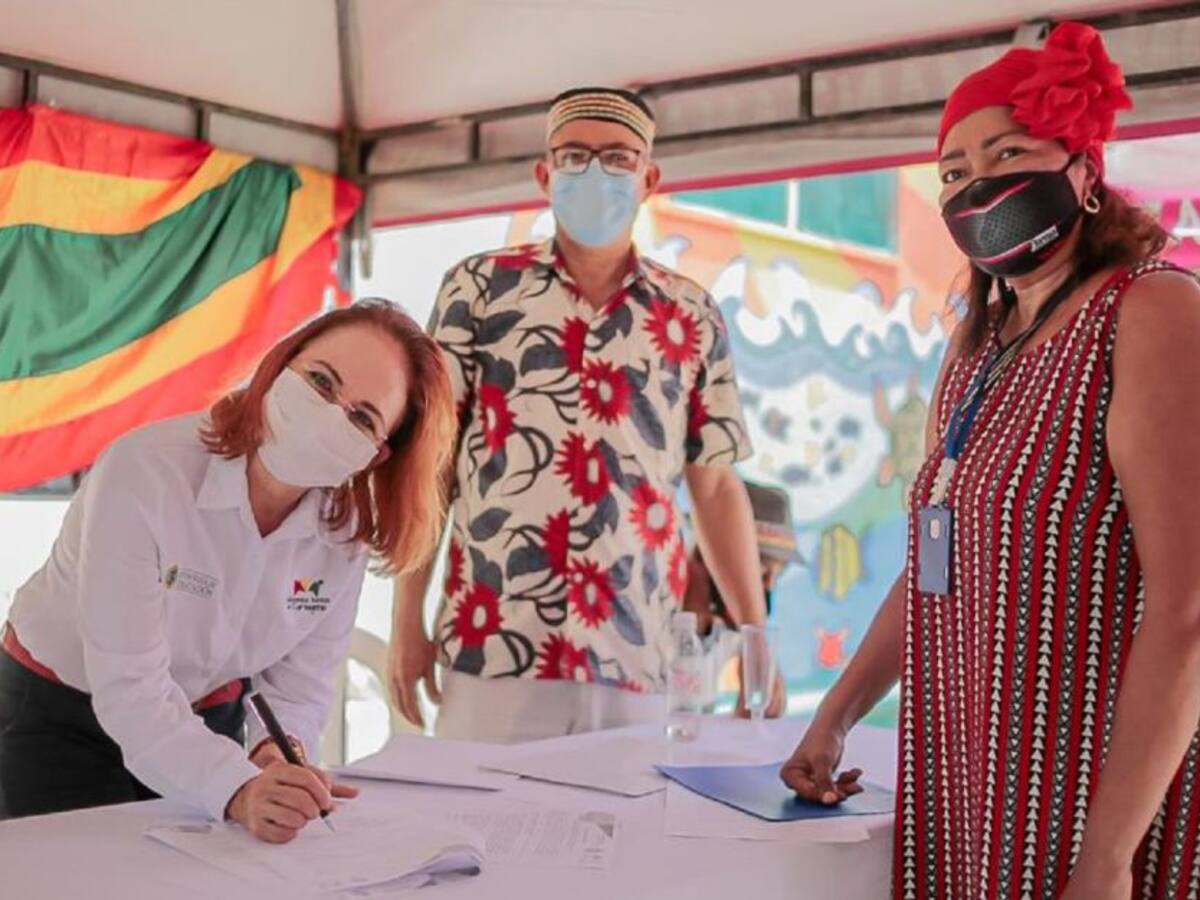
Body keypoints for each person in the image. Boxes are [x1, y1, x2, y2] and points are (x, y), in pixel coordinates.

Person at [780, 22, 1200, 899]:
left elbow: (1189, 607)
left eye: (1008, 150)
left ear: (1083, 173)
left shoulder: (1150, 312)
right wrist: (835, 717)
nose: (978, 184)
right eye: (954, 171)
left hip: (1098, 799)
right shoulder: (978, 347)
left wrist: (1107, 859)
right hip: (970, 791)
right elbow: (936, 565)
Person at [390, 86, 785, 743]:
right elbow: (430, 464)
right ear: (544, 174)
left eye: (618, 157)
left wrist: (757, 639)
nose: (595, 172)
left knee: (618, 840)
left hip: (635, 645)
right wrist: (408, 622)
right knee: (481, 839)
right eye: (574, 156)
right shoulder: (479, 288)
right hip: (495, 639)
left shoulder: (690, 312)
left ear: (649, 177)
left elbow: (714, 485)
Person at [0, 300, 456, 844]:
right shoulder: (146, 471)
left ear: (375, 456)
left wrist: (275, 757)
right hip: (59, 713)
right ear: (279, 367)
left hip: (207, 718)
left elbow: (299, 687)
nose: (330, 413)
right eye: (320, 381)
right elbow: (131, 690)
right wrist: (236, 789)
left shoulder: (344, 536)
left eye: (361, 417)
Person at [682, 480, 799, 716]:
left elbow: (761, 704)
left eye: (779, 574)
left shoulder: (728, 633)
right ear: (710, 556)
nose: (769, 586)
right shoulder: (657, 613)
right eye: (763, 571)